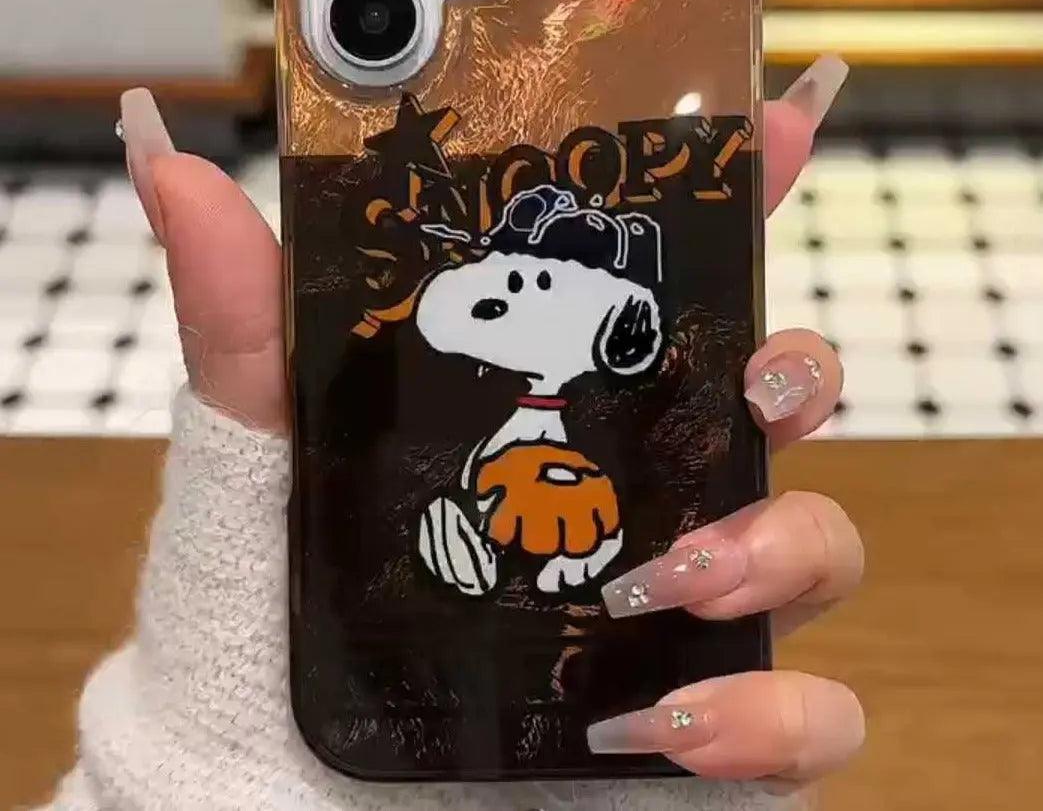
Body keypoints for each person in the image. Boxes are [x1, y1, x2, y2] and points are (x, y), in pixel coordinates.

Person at [41, 56, 863, 811]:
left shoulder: (610, 367)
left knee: (595, 533)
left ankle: (554, 566)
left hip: (572, 529)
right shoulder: (442, 375)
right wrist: (214, 772)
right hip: (460, 554)